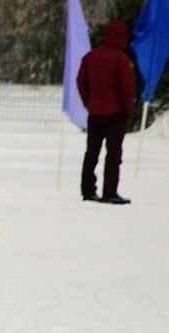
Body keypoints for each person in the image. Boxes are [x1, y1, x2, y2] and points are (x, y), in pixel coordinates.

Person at [77, 20, 135, 205]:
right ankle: (109, 192)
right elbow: (127, 88)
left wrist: (89, 103)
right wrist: (127, 110)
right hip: (115, 114)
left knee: (91, 152)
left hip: (95, 113)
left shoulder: (90, 57)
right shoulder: (121, 59)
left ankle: (87, 190)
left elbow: (81, 82)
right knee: (113, 154)